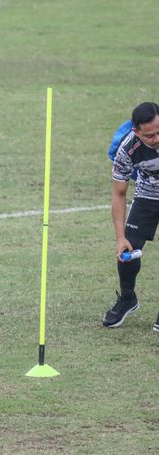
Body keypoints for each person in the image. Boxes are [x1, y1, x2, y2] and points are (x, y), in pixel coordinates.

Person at [105, 101, 159, 333]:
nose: (156, 139)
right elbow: (119, 193)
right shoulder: (127, 149)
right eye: (150, 136)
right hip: (148, 194)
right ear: (136, 132)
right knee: (127, 253)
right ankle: (128, 299)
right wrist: (120, 237)